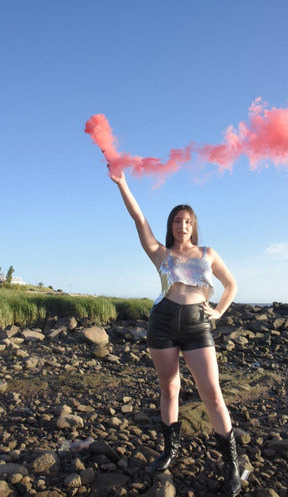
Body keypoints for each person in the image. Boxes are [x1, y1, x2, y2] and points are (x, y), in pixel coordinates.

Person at [110, 170, 241, 497]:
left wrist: (220, 311)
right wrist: (122, 183)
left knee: (211, 393)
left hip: (198, 323)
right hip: (163, 321)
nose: (182, 226)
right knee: (169, 387)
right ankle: (170, 450)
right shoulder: (161, 254)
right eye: (176, 221)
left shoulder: (208, 253)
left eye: (187, 221)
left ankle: (232, 464)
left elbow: (232, 285)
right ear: (171, 226)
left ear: (193, 226)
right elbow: (139, 218)